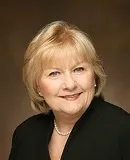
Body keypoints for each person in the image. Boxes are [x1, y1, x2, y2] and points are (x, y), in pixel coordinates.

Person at [9, 21, 130, 160]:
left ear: (94, 75)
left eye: (79, 69)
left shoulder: (123, 130)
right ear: (37, 86)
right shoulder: (25, 135)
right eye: (54, 73)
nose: (70, 84)